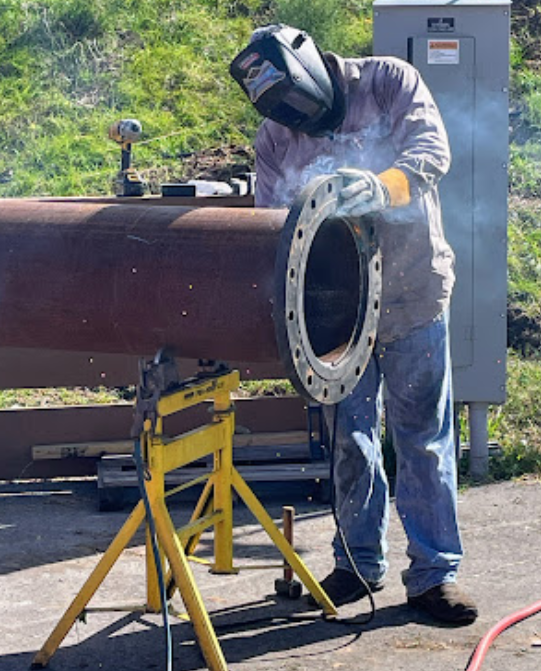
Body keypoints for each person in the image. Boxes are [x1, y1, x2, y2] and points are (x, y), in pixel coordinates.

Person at [230, 24, 477, 625]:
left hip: (413, 291)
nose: (299, 128)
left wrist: (378, 186)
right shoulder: (274, 138)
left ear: (316, 74)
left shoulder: (389, 82)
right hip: (340, 314)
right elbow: (274, 228)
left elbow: (431, 155)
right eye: (287, 119)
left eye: (304, 113)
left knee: (421, 437)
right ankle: (356, 565)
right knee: (351, 439)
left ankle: (433, 577)